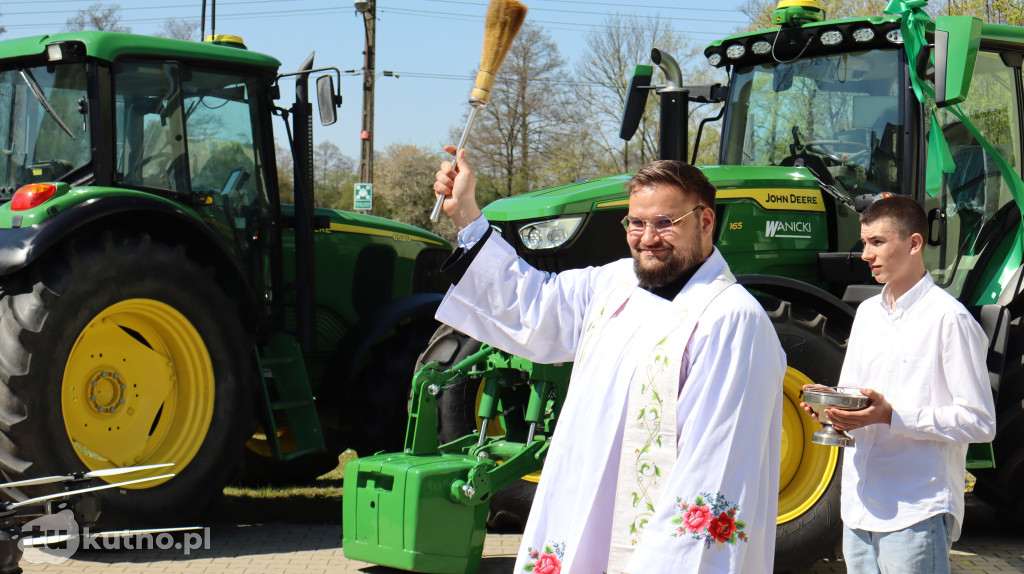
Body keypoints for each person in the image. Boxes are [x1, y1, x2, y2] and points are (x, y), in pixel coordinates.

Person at [432, 147, 786, 573]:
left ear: (705, 221)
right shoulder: (615, 283)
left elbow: (715, 468)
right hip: (581, 519)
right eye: (636, 223)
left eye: (664, 224)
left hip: (655, 550)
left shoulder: (731, 320)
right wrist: (467, 215)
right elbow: (532, 305)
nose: (647, 237)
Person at [800, 196, 996, 574]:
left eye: (877, 242)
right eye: (864, 243)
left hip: (915, 508)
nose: (864, 253)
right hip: (858, 509)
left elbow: (980, 422)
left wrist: (894, 416)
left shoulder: (949, 319)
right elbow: (858, 395)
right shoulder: (868, 314)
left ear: (914, 243)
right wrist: (833, 409)